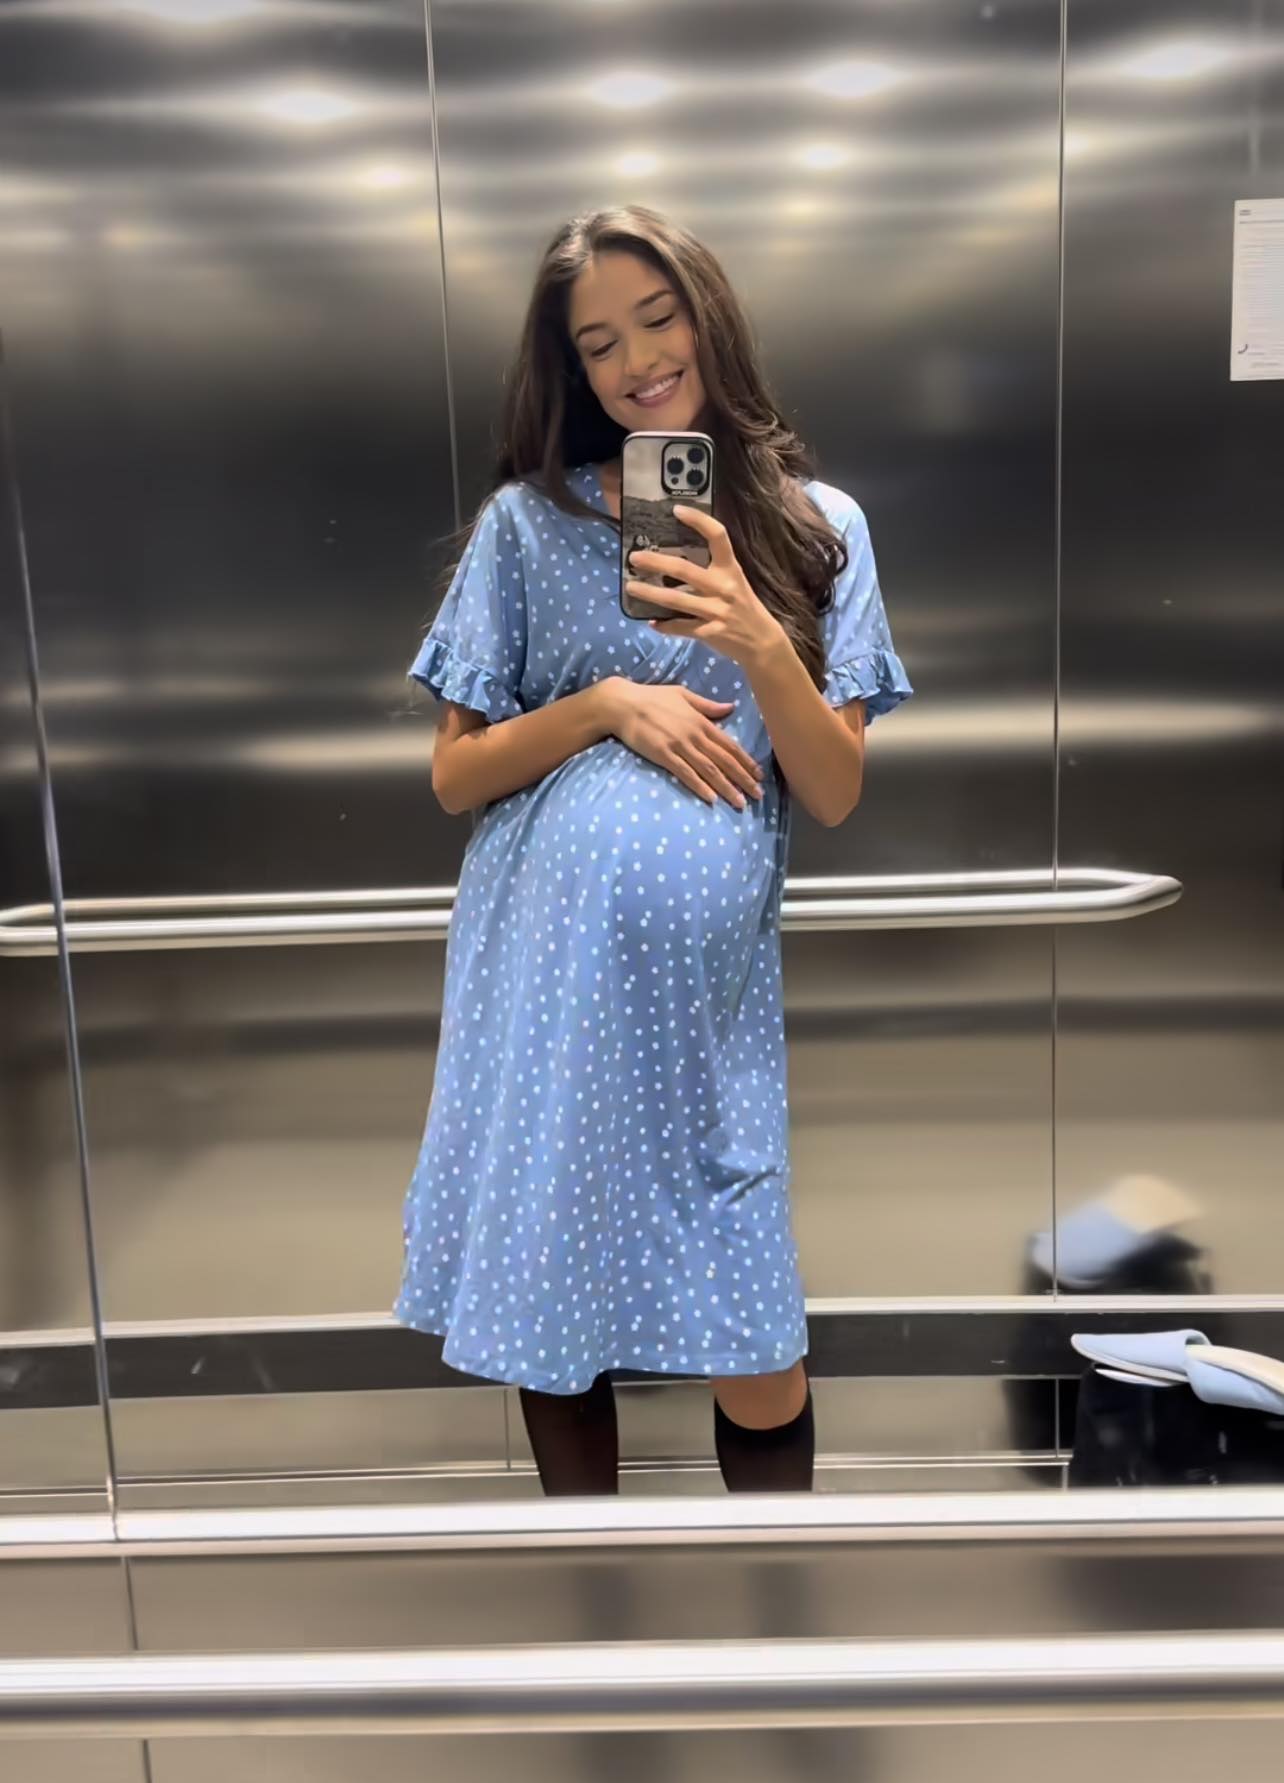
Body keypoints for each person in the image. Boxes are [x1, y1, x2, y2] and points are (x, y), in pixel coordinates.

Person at [394, 205, 913, 1495]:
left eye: (657, 319)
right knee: (555, 1311)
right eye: (598, 344)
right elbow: (457, 774)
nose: (636, 362)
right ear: (572, 370)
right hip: (545, 981)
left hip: (706, 1013)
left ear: (707, 315)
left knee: (757, 1340)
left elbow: (833, 789)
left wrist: (756, 636)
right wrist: (605, 706)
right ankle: (595, 1589)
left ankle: (776, 1600)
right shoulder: (525, 526)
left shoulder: (819, 527)